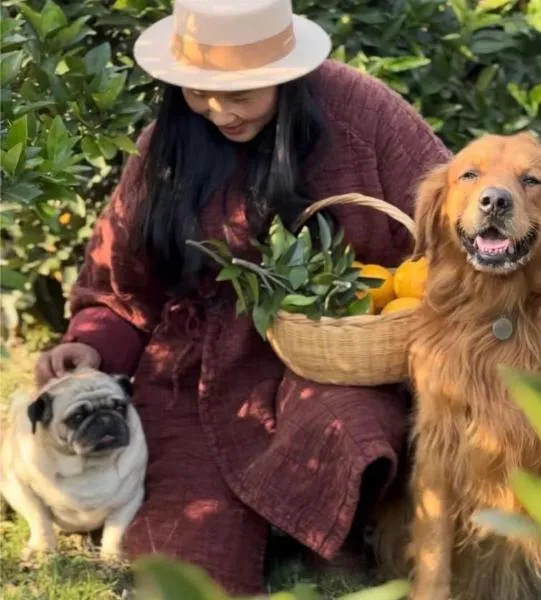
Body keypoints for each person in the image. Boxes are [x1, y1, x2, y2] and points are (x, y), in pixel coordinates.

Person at [35, 0, 450, 594]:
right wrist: (91, 346)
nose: (218, 111)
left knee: (348, 424)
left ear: (286, 75)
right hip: (198, 362)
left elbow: (448, 213)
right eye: (199, 92)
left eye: (241, 94)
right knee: (186, 551)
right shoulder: (167, 144)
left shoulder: (361, 111)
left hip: (335, 346)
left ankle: (334, 533)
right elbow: (121, 287)